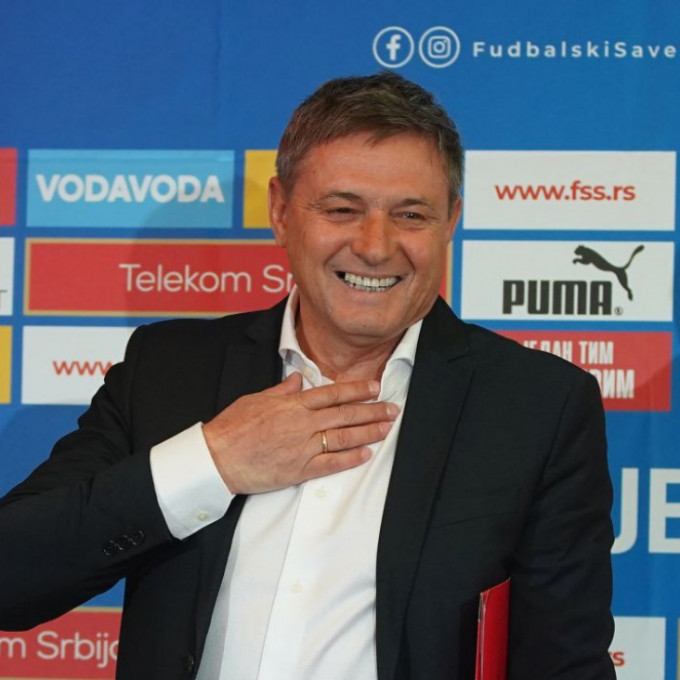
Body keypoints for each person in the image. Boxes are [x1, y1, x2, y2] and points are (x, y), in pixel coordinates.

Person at [0, 72, 615, 679]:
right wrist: (213, 462)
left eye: (410, 215)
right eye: (343, 209)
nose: (375, 246)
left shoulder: (537, 406)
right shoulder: (167, 369)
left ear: (451, 220)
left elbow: (566, 665)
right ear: (280, 211)